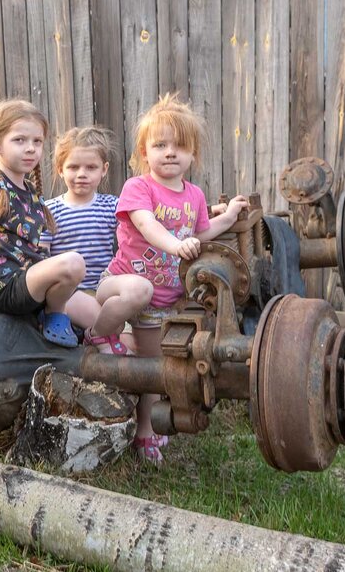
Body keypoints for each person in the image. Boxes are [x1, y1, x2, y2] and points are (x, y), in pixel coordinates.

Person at [98, 93, 249, 463]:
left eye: (179, 146)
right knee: (137, 291)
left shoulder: (194, 195)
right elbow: (147, 225)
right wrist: (177, 244)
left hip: (161, 303)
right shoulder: (139, 188)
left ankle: (143, 431)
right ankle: (100, 333)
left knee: (154, 371)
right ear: (144, 152)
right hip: (121, 282)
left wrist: (228, 217)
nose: (170, 152)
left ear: (192, 154)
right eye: (160, 145)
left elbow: (202, 230)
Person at [0, 100, 86, 347]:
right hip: (7, 287)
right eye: (19, 140)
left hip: (32, 282)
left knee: (96, 314)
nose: (30, 149)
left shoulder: (30, 192)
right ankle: (55, 316)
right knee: (74, 263)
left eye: (37, 141)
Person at [45, 126, 152, 355]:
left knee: (135, 344)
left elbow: (148, 217)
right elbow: (42, 256)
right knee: (116, 333)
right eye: (73, 167)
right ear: (60, 170)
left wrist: (209, 212)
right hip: (70, 293)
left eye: (91, 167)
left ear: (104, 170)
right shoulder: (50, 211)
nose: (82, 174)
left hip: (104, 287)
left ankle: (112, 355)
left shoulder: (111, 206)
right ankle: (98, 341)